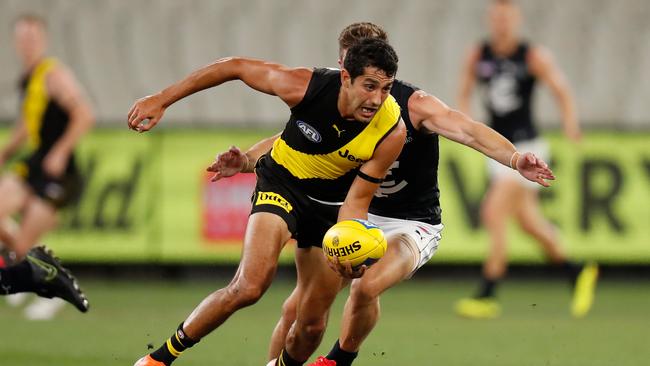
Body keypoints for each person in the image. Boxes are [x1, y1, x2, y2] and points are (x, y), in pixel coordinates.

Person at [208, 22, 555, 366]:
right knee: (295, 308)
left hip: (411, 224)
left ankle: (336, 361)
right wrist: (249, 159)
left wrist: (513, 158)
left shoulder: (412, 104)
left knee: (366, 285)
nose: (353, 77)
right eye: (346, 65)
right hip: (358, 213)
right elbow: (295, 140)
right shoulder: (336, 92)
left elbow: (467, 130)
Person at [129, 38, 406, 366]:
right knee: (249, 286)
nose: (376, 99)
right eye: (369, 86)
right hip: (282, 185)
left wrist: (349, 241)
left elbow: (358, 198)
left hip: (330, 207)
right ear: (346, 77)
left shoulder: (393, 130)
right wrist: (162, 99)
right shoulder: (306, 86)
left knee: (312, 324)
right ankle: (160, 358)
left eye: (386, 89)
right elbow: (234, 66)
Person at [454, 0, 598, 320]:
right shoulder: (479, 54)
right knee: (530, 223)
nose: (502, 24)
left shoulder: (532, 55)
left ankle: (488, 292)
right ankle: (577, 272)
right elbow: (464, 91)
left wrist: (570, 124)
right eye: (497, 17)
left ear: (516, 20)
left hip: (528, 150)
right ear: (491, 20)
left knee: (493, 213)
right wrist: (465, 125)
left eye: (507, 18)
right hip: (499, 149)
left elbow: (561, 90)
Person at [0, 14, 93, 314]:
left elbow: (84, 115)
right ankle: (43, 271)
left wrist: (61, 151)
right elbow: (27, 126)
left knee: (23, 245)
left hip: (58, 171)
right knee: (19, 247)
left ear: (43, 40)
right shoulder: (30, 78)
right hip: (36, 161)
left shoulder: (53, 74)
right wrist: (5, 152)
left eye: (33, 37)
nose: (27, 44)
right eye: (23, 38)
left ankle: (51, 288)